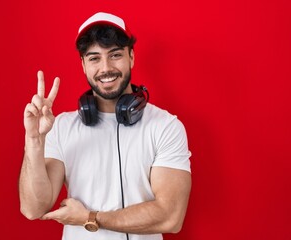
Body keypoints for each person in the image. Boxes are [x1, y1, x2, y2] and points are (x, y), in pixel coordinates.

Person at [19, 12, 192, 240]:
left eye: (115, 55)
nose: (106, 68)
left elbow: (170, 217)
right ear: (83, 65)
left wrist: (89, 218)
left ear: (131, 57)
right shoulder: (60, 127)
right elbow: (33, 208)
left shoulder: (165, 127)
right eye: (94, 58)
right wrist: (33, 141)